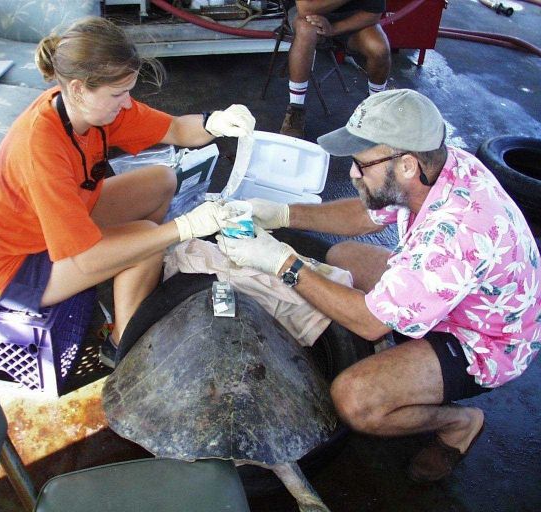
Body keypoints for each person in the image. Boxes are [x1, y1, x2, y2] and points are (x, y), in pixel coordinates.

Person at [219, 89, 541, 482]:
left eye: (361, 163)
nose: (353, 173)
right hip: (455, 293)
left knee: (354, 401)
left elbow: (371, 322)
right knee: (344, 258)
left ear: (406, 164)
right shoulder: (431, 167)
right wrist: (283, 214)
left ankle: (458, 423)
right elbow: (368, 211)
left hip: (482, 340)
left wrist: (282, 262)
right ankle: (404, 360)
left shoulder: (455, 234)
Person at [0, 16, 252, 368]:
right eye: (118, 94)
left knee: (161, 180)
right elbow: (87, 258)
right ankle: (121, 345)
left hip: (56, 225)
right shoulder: (40, 147)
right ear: (77, 88)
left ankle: (132, 283)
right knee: (148, 240)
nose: (127, 103)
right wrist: (183, 228)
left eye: (128, 91)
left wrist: (215, 122)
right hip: (18, 267)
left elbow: (177, 129)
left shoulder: (90, 108)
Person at [280, 0, 391, 138]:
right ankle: (295, 110)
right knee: (305, 30)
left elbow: (373, 14)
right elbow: (305, 8)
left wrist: (334, 29)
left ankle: (374, 107)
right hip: (307, 13)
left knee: (379, 48)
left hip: (351, 17)